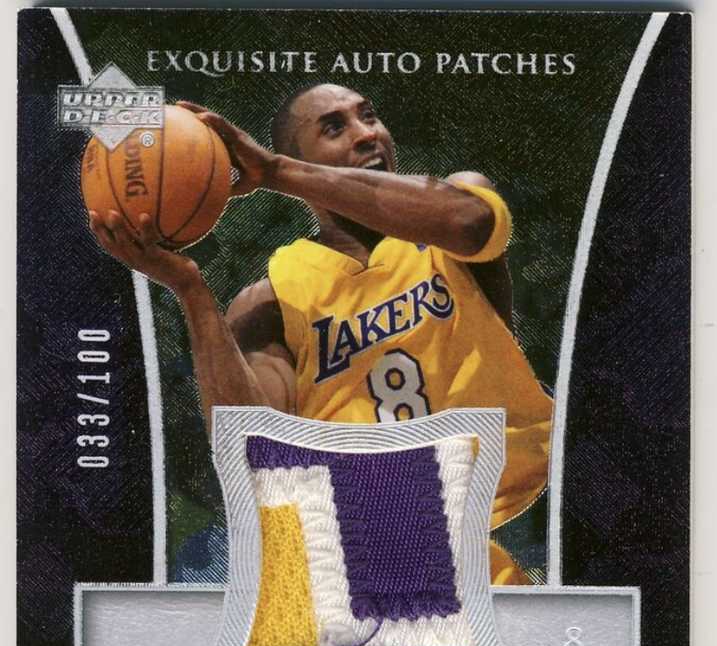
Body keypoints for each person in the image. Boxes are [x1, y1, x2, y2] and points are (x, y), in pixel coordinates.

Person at [89, 83, 552, 584]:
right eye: (334, 127)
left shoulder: (453, 208)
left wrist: (276, 172)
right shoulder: (271, 300)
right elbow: (253, 451)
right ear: (300, 157)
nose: (366, 133)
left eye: (368, 115)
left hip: (523, 510)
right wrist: (191, 290)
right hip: (372, 553)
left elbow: (467, 223)